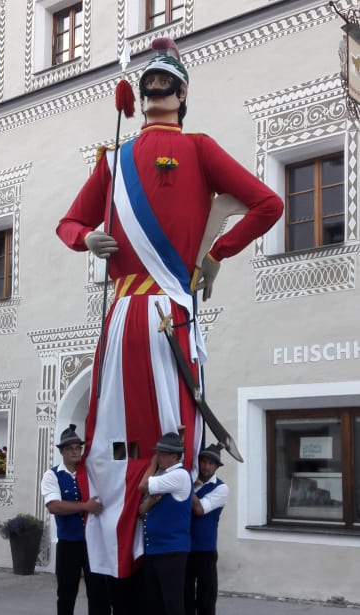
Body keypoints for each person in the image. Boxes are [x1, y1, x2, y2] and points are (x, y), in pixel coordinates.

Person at [56, 38, 284, 583]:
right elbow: (68, 223)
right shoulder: (113, 161)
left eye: (167, 83)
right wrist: (88, 238)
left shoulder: (200, 148)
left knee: (173, 424)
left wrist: (217, 254)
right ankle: (113, 553)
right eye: (149, 83)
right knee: (111, 428)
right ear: (138, 97)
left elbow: (269, 203)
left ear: (182, 94)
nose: (157, 89)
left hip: (170, 312)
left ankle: (161, 559)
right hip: (121, 315)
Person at [41, 423, 103, 615]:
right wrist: (85, 506)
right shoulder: (52, 475)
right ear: (62, 451)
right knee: (66, 596)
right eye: (70, 448)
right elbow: (54, 506)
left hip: (93, 543)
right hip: (69, 543)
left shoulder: (90, 473)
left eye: (78, 448)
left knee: (97, 595)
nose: (76, 452)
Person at [138, 432, 194, 615]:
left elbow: (143, 485)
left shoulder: (179, 475)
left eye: (161, 453)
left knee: (174, 608)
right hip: (155, 550)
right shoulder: (164, 478)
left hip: (172, 551)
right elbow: (142, 510)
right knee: (157, 607)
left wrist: (151, 464)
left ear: (174, 456)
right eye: (157, 453)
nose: (157, 456)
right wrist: (151, 498)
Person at [185, 443, 228, 615]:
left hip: (205, 552)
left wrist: (186, 488)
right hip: (185, 550)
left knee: (206, 603)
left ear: (216, 467)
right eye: (203, 461)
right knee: (185, 602)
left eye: (211, 463)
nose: (206, 466)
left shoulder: (221, 489)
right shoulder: (190, 482)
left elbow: (199, 509)